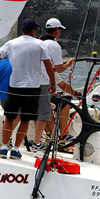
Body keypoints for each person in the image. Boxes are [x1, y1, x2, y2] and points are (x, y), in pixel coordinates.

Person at [0, 18, 56, 160]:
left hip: (14, 86)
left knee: (9, 118)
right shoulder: (40, 44)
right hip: (32, 88)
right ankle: (15, 150)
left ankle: (3, 149)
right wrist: (52, 83)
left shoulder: (12, 43)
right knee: (25, 121)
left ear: (22, 30)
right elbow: (47, 65)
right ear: (33, 31)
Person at [32, 18, 75, 152]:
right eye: (60, 30)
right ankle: (55, 139)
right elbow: (59, 68)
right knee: (49, 108)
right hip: (43, 83)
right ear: (57, 30)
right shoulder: (54, 46)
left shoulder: (39, 41)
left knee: (57, 103)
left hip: (33, 82)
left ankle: (59, 136)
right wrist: (68, 64)